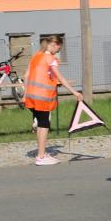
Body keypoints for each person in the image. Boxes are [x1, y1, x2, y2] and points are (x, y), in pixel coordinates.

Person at [23, 35, 83, 166]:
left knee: (40, 124)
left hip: (31, 96)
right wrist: (75, 92)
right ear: (55, 45)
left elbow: (26, 75)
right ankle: (41, 157)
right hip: (43, 97)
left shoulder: (36, 56)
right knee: (44, 126)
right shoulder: (51, 59)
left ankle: (41, 153)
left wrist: (25, 94)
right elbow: (60, 78)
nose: (57, 52)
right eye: (58, 49)